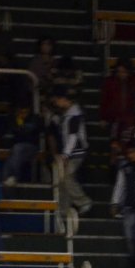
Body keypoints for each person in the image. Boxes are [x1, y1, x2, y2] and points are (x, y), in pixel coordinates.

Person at [48, 87, 92, 215]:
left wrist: (66, 155)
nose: (56, 103)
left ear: (63, 99)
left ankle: (83, 201)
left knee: (67, 177)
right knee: (62, 180)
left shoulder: (75, 115)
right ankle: (63, 209)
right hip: (70, 152)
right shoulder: (67, 114)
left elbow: (73, 136)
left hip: (76, 152)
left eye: (57, 100)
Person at [1, 96, 43, 187]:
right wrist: (18, 120)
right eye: (20, 111)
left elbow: (25, 132)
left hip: (32, 148)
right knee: (9, 161)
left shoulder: (35, 118)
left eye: (24, 112)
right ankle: (7, 180)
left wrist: (20, 122)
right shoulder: (14, 119)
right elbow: (11, 133)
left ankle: (15, 177)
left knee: (17, 148)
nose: (23, 114)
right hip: (17, 150)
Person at [99, 57, 135, 131]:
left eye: (124, 72)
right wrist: (103, 118)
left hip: (130, 119)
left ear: (129, 72)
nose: (121, 74)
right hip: (113, 119)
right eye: (119, 72)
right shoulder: (109, 82)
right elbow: (104, 101)